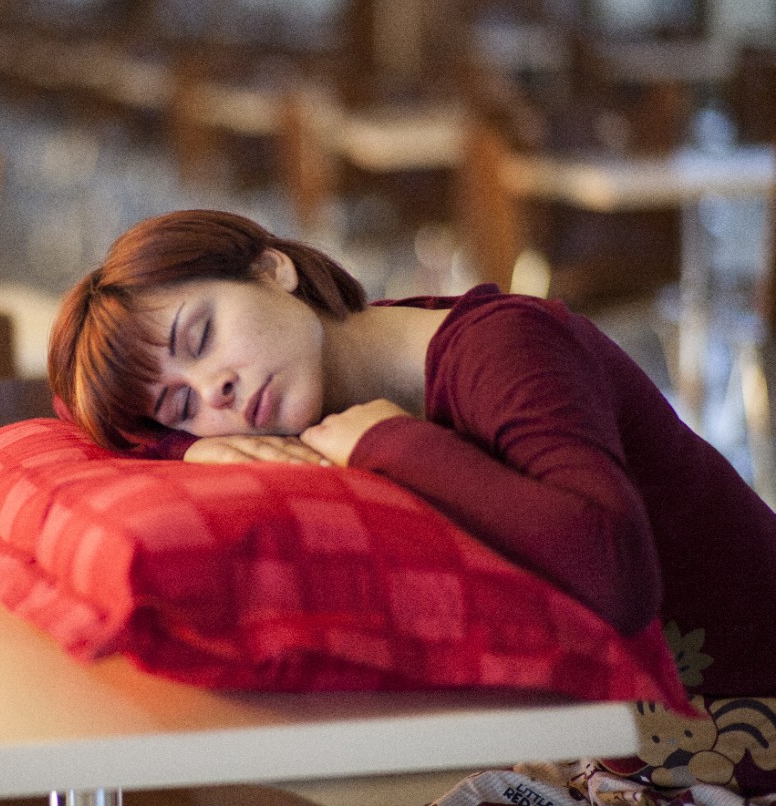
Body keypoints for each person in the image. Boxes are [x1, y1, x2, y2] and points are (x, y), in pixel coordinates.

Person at [48, 208, 776, 699]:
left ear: (273, 269)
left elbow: (616, 573)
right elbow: (96, 423)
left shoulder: (502, 348)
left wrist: (386, 442)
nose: (218, 390)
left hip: (746, 702)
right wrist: (189, 453)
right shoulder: (313, 389)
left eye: (200, 335)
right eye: (182, 405)